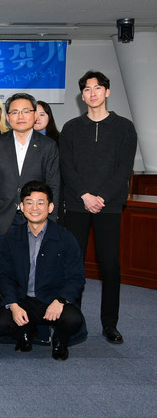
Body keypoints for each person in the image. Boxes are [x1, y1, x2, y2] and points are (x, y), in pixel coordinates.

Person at [60, 70, 137, 344]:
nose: (92, 93)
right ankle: (73, 321)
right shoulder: (71, 127)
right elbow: (67, 166)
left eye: (97, 88)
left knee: (110, 266)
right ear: (82, 96)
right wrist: (85, 195)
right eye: (87, 89)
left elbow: (124, 168)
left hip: (109, 205)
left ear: (107, 91)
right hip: (77, 204)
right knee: (73, 265)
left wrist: (100, 197)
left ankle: (110, 324)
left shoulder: (124, 127)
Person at [0, 181, 85, 361]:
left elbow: (76, 277)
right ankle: (25, 331)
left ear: (50, 207)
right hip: (23, 299)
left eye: (41, 203)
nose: (35, 208)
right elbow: (4, 276)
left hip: (52, 299)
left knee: (73, 319)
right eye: (29, 203)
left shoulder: (65, 237)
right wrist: (13, 305)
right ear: (22, 207)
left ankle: (60, 339)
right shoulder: (12, 237)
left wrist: (60, 300)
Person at [0, 93, 60, 241]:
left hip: (36, 217)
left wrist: (50, 220)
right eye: (15, 112)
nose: (20, 117)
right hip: (3, 219)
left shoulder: (48, 146)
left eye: (26, 111)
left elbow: (54, 186)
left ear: (35, 115)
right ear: (7, 117)